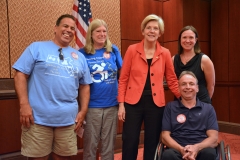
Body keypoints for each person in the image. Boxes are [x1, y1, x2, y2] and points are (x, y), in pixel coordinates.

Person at [12, 14, 92, 160]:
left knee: (62, 157)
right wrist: (24, 104)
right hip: (37, 119)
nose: (69, 30)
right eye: (65, 26)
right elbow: (20, 75)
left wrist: (83, 111)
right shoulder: (37, 47)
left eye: (72, 28)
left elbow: (85, 85)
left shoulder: (79, 57)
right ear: (55, 28)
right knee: (38, 158)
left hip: (68, 120)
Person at [118, 14, 181, 160]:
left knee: (152, 140)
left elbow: (171, 79)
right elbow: (123, 79)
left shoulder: (165, 53)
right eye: (149, 28)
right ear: (143, 31)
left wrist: (185, 99)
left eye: (156, 29)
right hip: (132, 103)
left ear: (160, 33)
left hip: (155, 104)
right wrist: (121, 104)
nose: (152, 31)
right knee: (130, 140)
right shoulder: (132, 50)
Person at [79, 19, 123, 160]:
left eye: (104, 31)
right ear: (91, 34)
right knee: (90, 145)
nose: (102, 34)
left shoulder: (113, 50)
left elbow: (123, 74)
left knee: (108, 146)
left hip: (111, 104)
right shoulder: (82, 53)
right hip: (92, 106)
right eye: (98, 31)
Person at [161, 71, 219, 160]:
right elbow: (165, 136)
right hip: (176, 148)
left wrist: (196, 147)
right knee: (168, 155)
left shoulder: (208, 108)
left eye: (191, 84)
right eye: (183, 84)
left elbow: (214, 137)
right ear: (179, 88)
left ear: (197, 88)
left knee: (210, 154)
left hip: (201, 147)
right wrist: (181, 149)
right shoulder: (170, 107)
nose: (188, 87)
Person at [173, 25, 215, 103]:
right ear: (180, 40)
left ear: (196, 40)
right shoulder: (173, 59)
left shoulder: (204, 59)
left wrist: (204, 105)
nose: (187, 40)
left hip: (201, 102)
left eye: (191, 38)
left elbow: (211, 86)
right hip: (180, 103)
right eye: (184, 37)